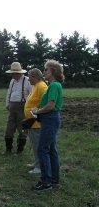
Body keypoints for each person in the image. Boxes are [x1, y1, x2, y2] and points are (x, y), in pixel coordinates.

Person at [32, 60, 64, 191]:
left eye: (46, 69)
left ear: (53, 72)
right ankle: (54, 180)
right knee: (51, 150)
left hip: (50, 119)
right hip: (51, 119)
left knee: (42, 149)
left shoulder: (54, 86)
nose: (43, 71)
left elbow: (50, 105)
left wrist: (37, 111)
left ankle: (46, 182)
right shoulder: (53, 85)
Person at [24, 68, 48, 174]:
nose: (28, 80)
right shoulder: (35, 86)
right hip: (32, 121)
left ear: (35, 77)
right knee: (34, 144)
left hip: (37, 122)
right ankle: (36, 163)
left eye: (29, 77)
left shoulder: (42, 86)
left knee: (38, 145)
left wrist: (37, 112)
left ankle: (39, 167)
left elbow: (47, 102)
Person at [4, 62, 31, 154]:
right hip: (12, 106)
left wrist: (28, 107)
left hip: (22, 106)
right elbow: (9, 93)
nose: (13, 75)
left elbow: (31, 95)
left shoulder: (27, 80)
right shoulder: (12, 81)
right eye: (12, 73)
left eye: (14, 73)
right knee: (9, 127)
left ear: (19, 72)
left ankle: (20, 150)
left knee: (22, 128)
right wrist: (7, 104)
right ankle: (8, 149)